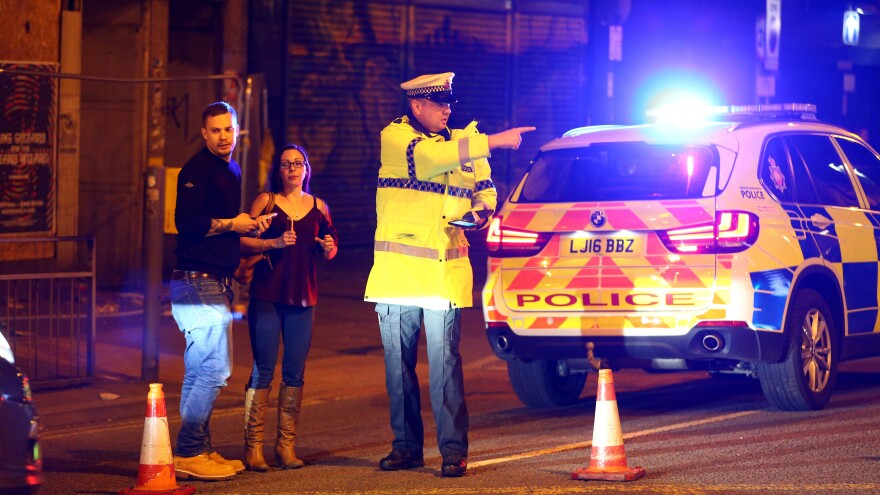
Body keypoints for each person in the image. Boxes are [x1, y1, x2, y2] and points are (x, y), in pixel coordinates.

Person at [364, 72, 535, 477]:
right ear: (416, 106)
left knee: (445, 368)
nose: (447, 110)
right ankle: (405, 447)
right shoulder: (396, 137)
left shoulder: (463, 144)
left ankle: (453, 451)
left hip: (443, 274)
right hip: (396, 275)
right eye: (438, 104)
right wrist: (495, 139)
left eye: (449, 104)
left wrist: (481, 212)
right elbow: (429, 160)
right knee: (398, 369)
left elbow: (487, 189)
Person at [170, 101, 273, 480]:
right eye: (216, 130)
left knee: (200, 370)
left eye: (228, 129)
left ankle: (197, 449)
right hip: (197, 282)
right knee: (216, 370)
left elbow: (231, 226)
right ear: (204, 133)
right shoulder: (195, 170)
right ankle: (188, 451)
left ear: (237, 129)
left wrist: (248, 228)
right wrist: (233, 224)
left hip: (215, 282)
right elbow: (188, 225)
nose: (223, 136)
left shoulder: (231, 168)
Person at [240, 144, 338, 472]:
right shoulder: (265, 201)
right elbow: (243, 240)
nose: (292, 169)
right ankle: (253, 448)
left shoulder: (320, 206)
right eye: (286, 165)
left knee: (295, 373)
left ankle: (285, 446)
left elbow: (331, 247)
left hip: (303, 299)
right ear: (278, 170)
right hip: (267, 296)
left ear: (307, 169)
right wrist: (275, 242)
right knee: (263, 369)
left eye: (298, 163)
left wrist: (327, 247)